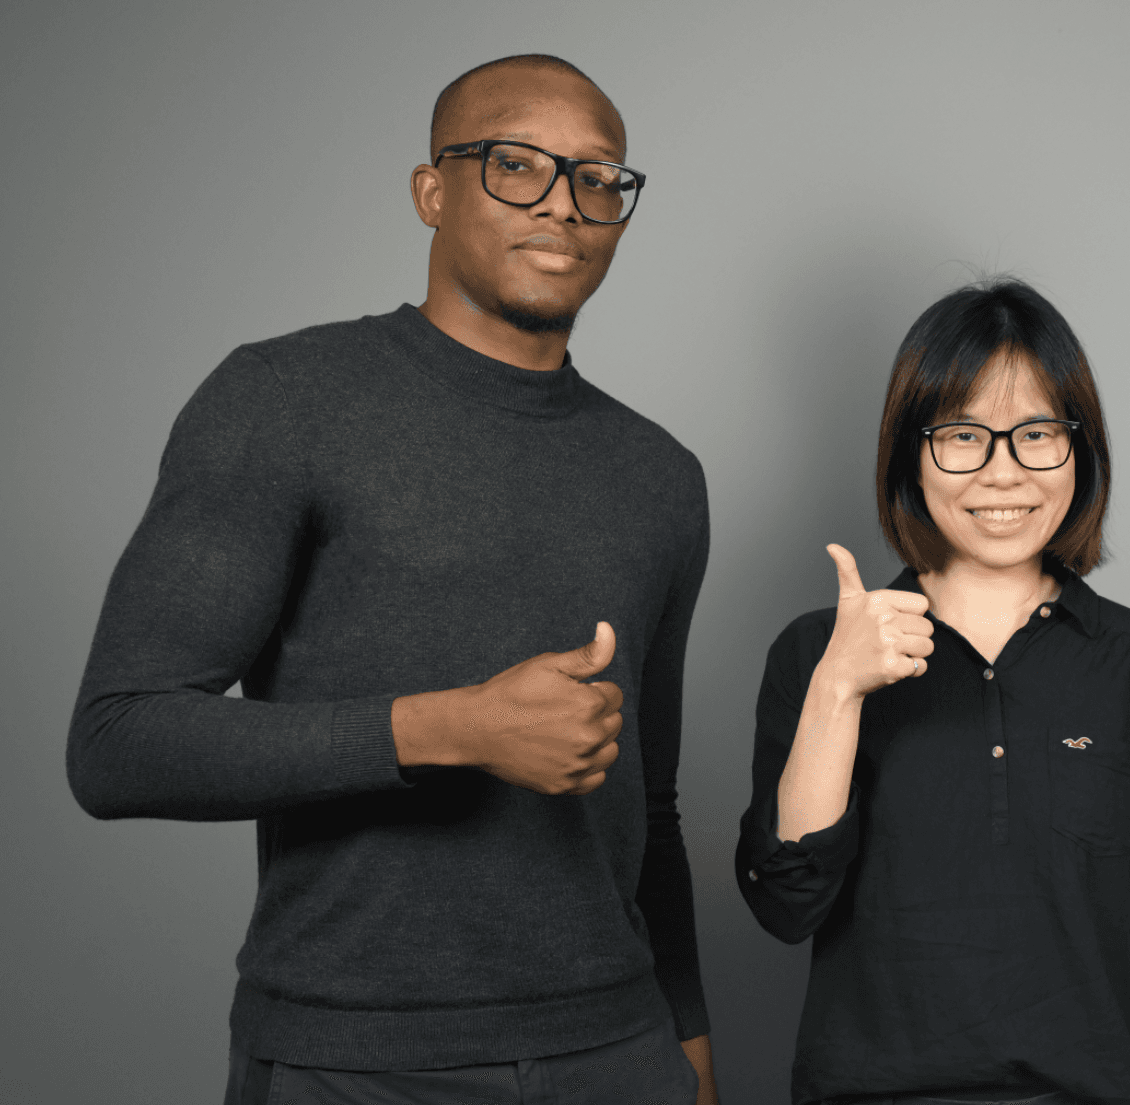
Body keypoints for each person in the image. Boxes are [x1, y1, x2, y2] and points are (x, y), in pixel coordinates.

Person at [68, 54, 719, 1105]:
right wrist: (449, 730)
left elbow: (651, 805)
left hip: (617, 1048)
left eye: (598, 178)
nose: (563, 203)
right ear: (432, 191)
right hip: (355, 1061)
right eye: (517, 165)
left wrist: (684, 1045)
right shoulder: (282, 398)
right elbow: (119, 742)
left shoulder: (661, 476)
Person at [736, 279, 1130, 1105]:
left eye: (1036, 434)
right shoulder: (816, 653)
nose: (1003, 472)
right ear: (910, 452)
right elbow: (786, 902)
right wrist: (838, 690)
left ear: (1079, 447)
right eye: (962, 435)